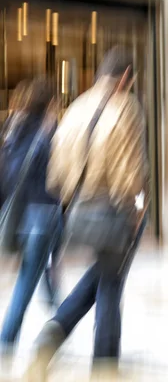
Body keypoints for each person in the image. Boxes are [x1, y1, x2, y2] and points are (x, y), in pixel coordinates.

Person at [26, 46, 149, 379]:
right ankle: (102, 365)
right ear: (125, 76)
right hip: (114, 211)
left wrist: (75, 201)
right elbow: (133, 176)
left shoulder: (77, 107)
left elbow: (56, 173)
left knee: (103, 275)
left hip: (80, 211)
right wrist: (139, 213)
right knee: (110, 284)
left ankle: (53, 334)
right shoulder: (126, 107)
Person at [0, 78, 63, 354]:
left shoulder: (13, 131)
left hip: (20, 216)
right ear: (49, 103)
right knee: (28, 280)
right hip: (44, 215)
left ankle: (58, 316)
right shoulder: (48, 133)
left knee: (42, 270)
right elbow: (59, 175)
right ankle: (7, 339)